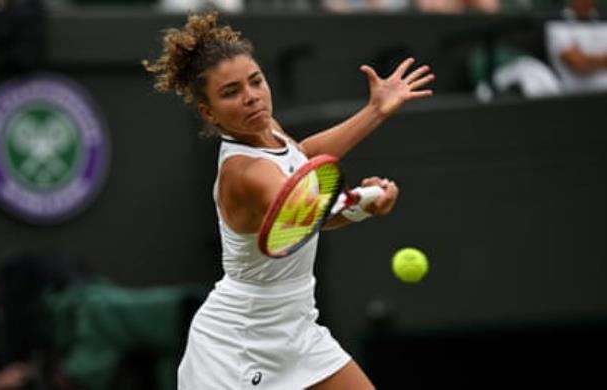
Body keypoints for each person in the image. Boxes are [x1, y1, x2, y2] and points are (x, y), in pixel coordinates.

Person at [144, 12, 434, 389]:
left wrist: (375, 111)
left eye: (256, 81)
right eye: (231, 92)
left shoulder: (267, 130)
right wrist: (364, 202)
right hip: (239, 344)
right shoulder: (245, 172)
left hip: (296, 328)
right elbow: (304, 214)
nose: (251, 98)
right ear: (208, 112)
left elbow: (302, 156)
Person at [545, 0, 607, 94]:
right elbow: (579, 63)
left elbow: (584, 61)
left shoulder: (603, 20)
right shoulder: (557, 22)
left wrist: (589, 59)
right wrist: (601, 60)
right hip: (575, 96)